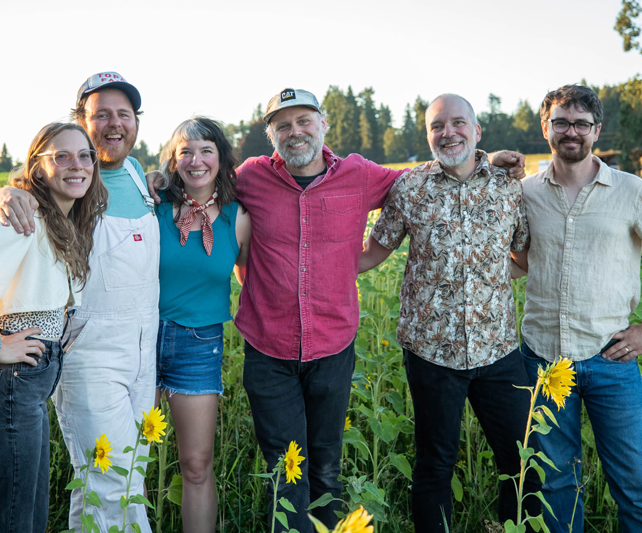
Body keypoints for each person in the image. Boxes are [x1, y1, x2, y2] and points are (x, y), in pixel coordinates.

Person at [145, 87, 526, 532]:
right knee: (286, 476)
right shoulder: (251, 177)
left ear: (323, 125)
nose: (295, 132)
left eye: (304, 120)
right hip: (269, 352)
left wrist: (487, 158)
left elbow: (425, 175)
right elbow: (200, 176)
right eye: (283, 125)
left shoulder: (360, 174)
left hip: (332, 349)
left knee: (326, 472)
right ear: (271, 135)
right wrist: (158, 177)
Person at [359, 94, 541, 532]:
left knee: (522, 464)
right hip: (431, 354)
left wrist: (484, 280)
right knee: (435, 467)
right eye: (437, 125)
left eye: (458, 123)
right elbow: (369, 256)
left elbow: (523, 258)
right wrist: (303, 262)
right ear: (428, 135)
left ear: (477, 132)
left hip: (498, 351)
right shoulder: (409, 188)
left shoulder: (507, 186)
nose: (448, 132)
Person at [0, 72, 159, 532]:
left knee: (121, 477)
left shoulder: (131, 179)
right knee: (105, 480)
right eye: (100, 115)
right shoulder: (24, 214)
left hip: (134, 352)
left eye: (124, 115)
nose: (114, 124)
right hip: (74, 357)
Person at [512, 84, 642, 533]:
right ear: (545, 127)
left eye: (581, 124)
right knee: (554, 487)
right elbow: (518, 262)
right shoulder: (524, 193)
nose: (572, 132)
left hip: (613, 359)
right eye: (561, 122)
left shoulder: (631, 191)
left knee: (635, 484)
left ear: (596, 131)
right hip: (543, 359)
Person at [0, 123, 107, 533]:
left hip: (34, 382)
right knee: (13, 515)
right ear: (38, 168)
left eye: (84, 156)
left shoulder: (64, 222)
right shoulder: (23, 218)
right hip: (15, 377)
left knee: (30, 512)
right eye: (61, 156)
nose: (76, 165)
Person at [155, 117, 251, 532]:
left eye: (206, 150)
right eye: (186, 151)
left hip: (199, 344)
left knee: (195, 465)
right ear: (174, 160)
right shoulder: (152, 206)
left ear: (221, 158)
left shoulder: (238, 217)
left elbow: (251, 281)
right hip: (139, 337)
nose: (196, 160)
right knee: (127, 457)